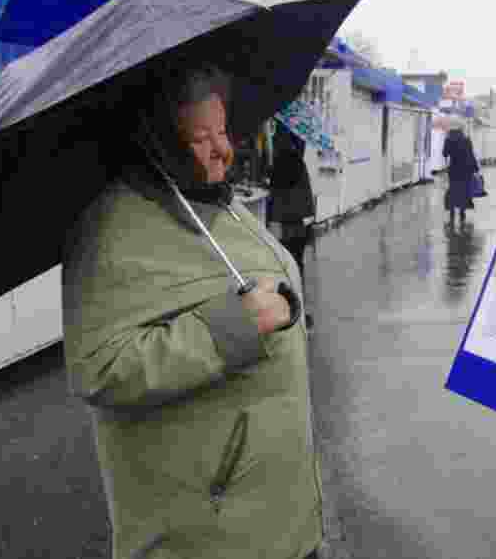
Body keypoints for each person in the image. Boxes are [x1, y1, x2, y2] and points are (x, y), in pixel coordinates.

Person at [61, 63, 322, 559]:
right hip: (212, 534)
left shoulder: (218, 202)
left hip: (282, 517)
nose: (224, 149)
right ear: (159, 142)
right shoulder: (113, 226)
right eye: (202, 138)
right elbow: (100, 368)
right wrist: (239, 324)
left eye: (222, 131)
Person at [268, 120, 317, 326]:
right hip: (296, 226)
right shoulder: (296, 161)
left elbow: (277, 197)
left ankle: (286, 310)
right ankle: (298, 312)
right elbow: (304, 197)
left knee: (282, 269)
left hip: (282, 225)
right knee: (295, 268)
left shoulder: (279, 161)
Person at [441, 124, 479, 225]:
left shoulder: (448, 140)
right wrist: (475, 168)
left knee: (453, 189)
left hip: (453, 170)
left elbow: (444, 153)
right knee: (463, 190)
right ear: (461, 130)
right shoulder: (466, 139)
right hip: (466, 170)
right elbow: (471, 154)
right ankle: (462, 211)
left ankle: (452, 211)